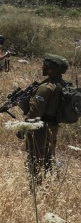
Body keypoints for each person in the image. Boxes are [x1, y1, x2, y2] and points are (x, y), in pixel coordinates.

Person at [21, 54, 69, 182]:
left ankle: (35, 186)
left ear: (51, 70)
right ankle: (49, 183)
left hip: (40, 128)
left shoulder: (45, 88)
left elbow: (35, 113)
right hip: (53, 127)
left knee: (34, 157)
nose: (42, 67)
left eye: (45, 66)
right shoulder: (63, 85)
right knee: (48, 156)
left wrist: (23, 128)